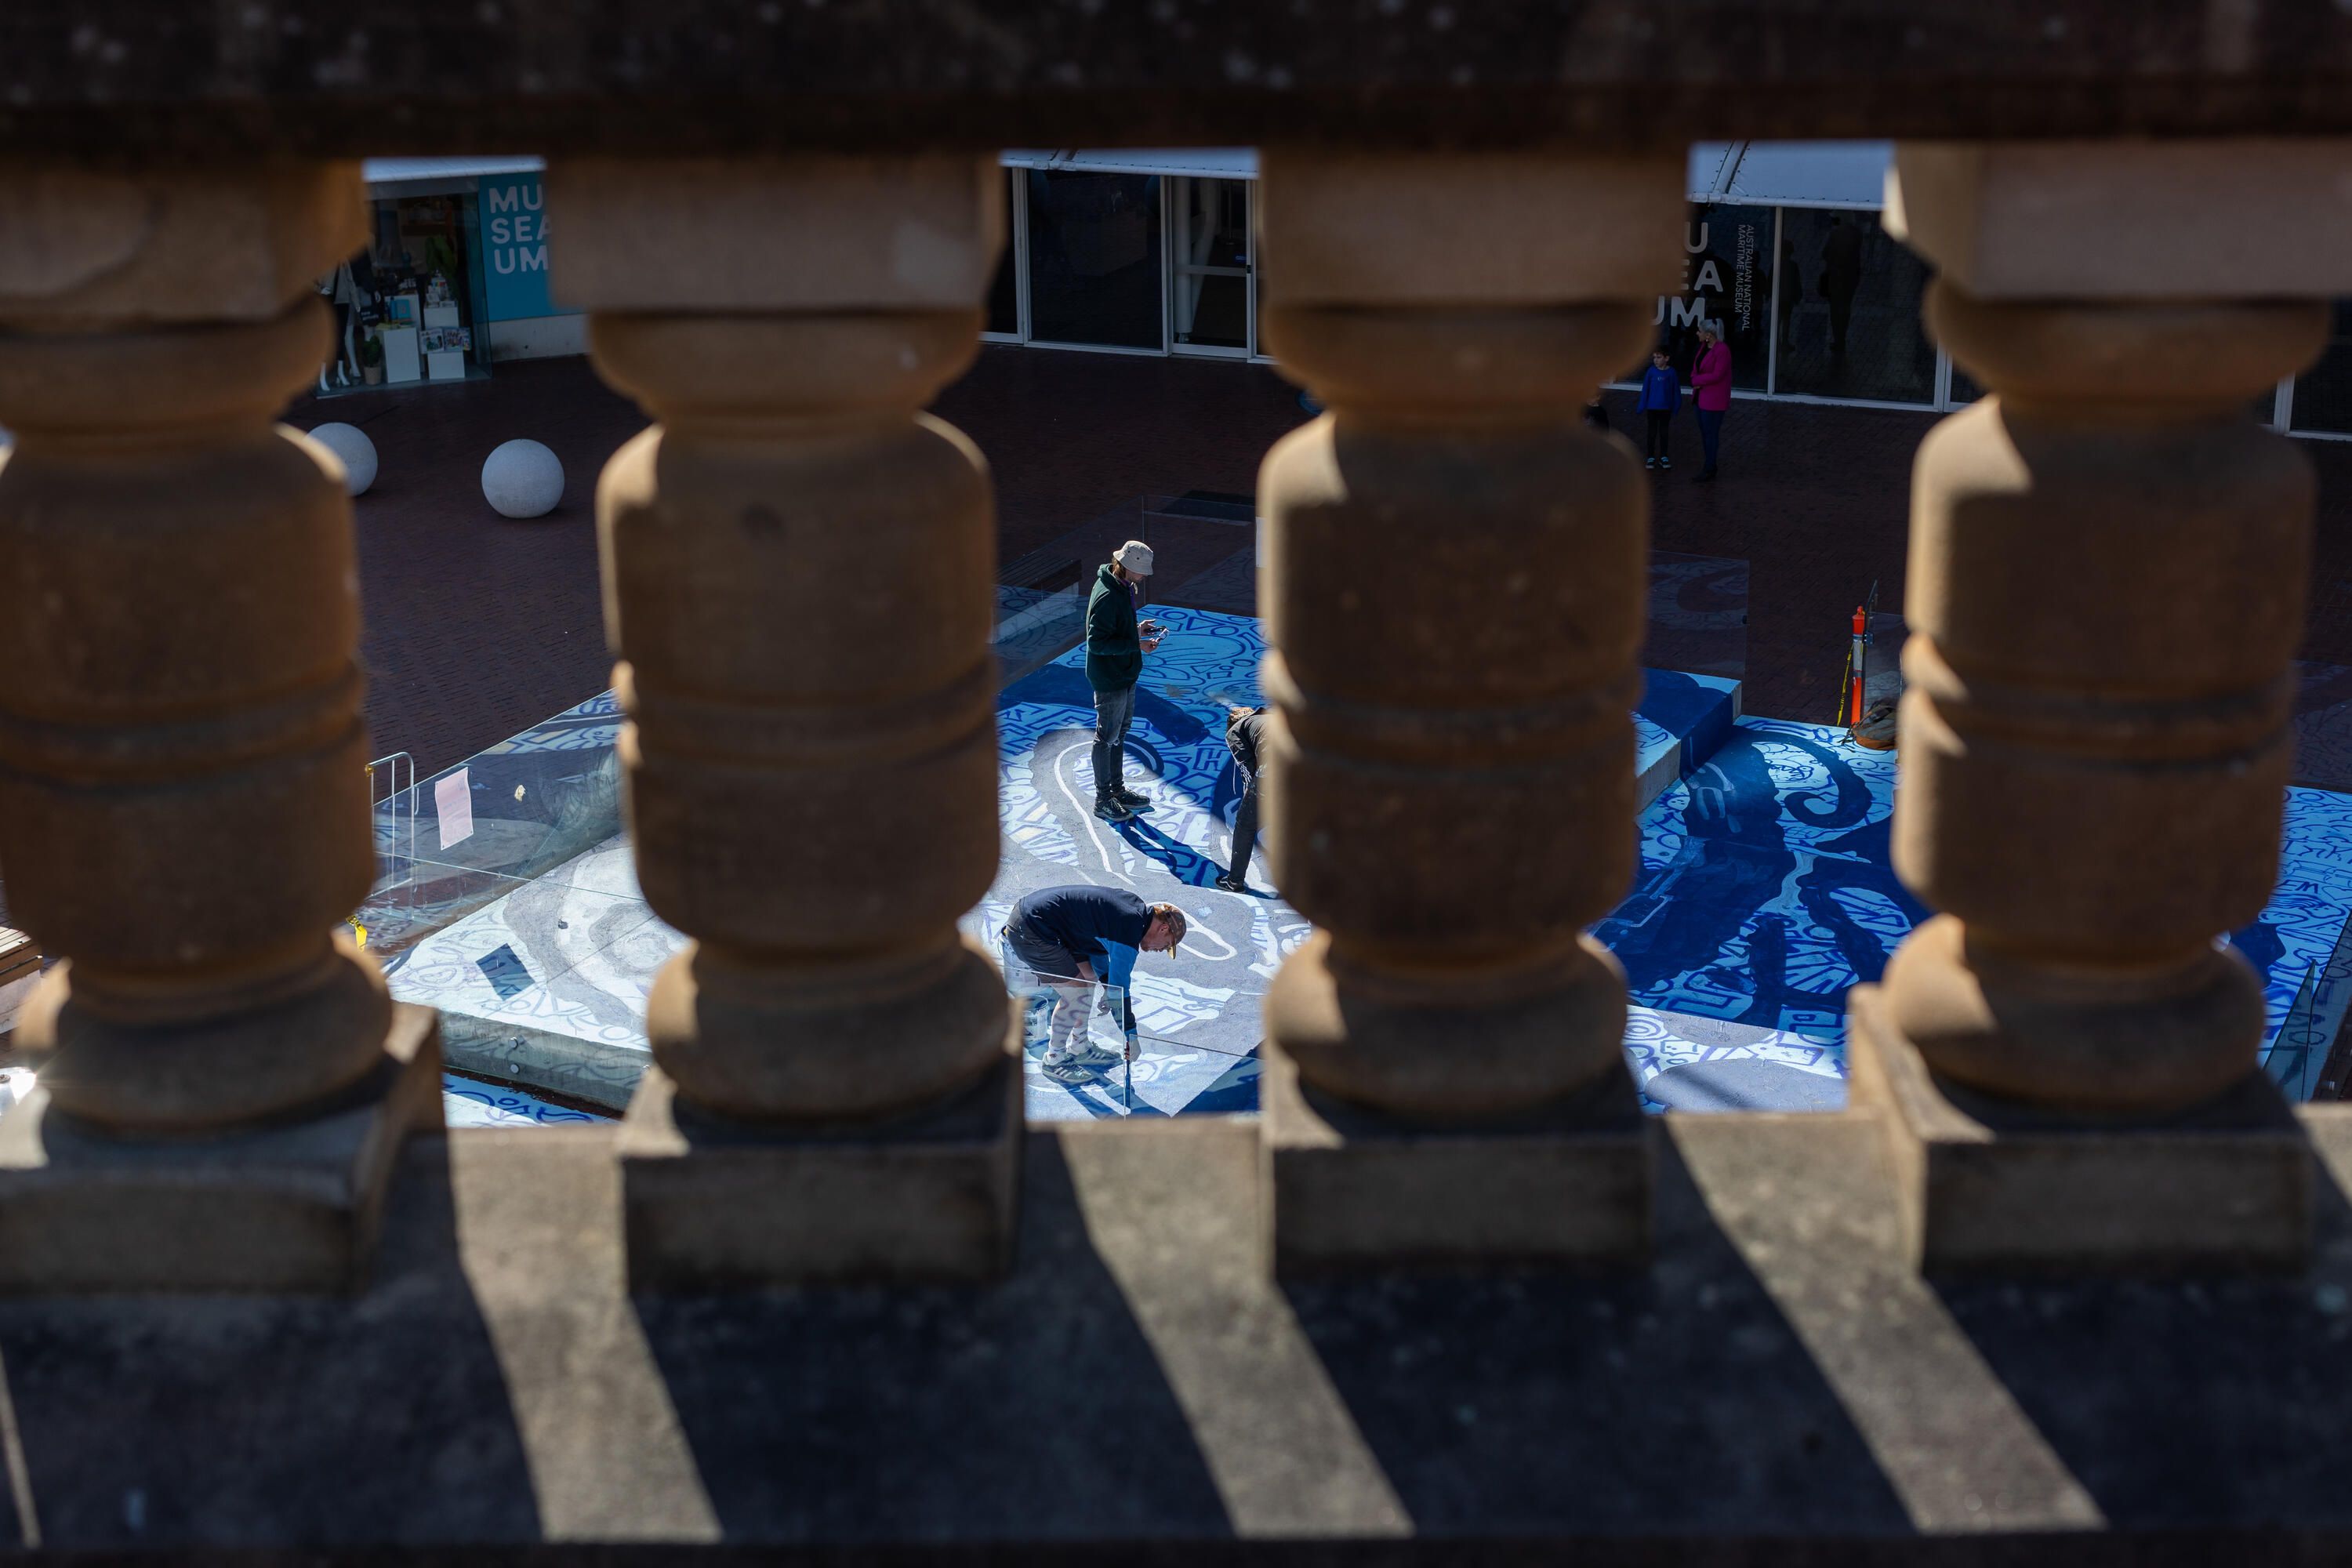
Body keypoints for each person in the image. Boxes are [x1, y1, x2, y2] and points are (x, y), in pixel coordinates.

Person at [1002, 885, 1188, 1083]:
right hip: (1032, 930)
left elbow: (1098, 953)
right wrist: (1130, 1035)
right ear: (1164, 928)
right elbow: (1120, 991)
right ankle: (1054, 1060)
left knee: (1087, 978)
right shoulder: (1129, 931)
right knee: (1076, 994)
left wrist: (1108, 989)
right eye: (1167, 944)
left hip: (1047, 925)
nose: (1162, 950)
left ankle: (1079, 1046)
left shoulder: (1133, 914)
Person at [1084, 539, 1163, 822]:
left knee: (1120, 733)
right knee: (1106, 737)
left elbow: (1117, 630)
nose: (1144, 576)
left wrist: (1135, 628)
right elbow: (1097, 644)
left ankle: (1116, 790)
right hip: (1110, 677)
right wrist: (1136, 643)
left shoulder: (1123, 586)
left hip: (1125, 672)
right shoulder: (1107, 595)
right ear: (1127, 567)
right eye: (1141, 571)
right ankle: (1103, 798)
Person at [1215, 704, 1268, 893]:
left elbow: (1248, 768)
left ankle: (1234, 881)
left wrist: (1249, 800)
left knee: (1245, 825)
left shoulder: (1235, 730)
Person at [1690, 322, 1733, 483]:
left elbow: (1718, 375)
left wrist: (1697, 380)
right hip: (1700, 398)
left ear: (1709, 335)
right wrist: (1695, 379)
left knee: (1711, 434)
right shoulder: (1703, 347)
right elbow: (1696, 367)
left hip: (1713, 401)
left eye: (1699, 331)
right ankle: (1709, 464)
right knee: (1705, 433)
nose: (1697, 333)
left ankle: (1710, 467)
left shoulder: (1722, 350)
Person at [1821, 216, 1864, 359]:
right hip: (1850, 276)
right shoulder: (1856, 234)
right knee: (1845, 307)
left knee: (1835, 309)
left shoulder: (1834, 235)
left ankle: (1838, 338)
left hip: (1836, 275)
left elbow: (1825, 254)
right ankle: (1842, 338)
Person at [1635, 348, 1679, 470]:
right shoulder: (1651, 372)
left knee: (1664, 433)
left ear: (1666, 358)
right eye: (1654, 357)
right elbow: (1645, 390)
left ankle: (1664, 456)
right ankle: (1651, 456)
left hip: (1666, 409)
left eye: (1659, 357)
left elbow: (1676, 391)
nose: (1655, 360)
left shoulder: (1672, 373)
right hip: (1652, 408)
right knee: (1652, 432)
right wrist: (1641, 405)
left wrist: (1676, 406)